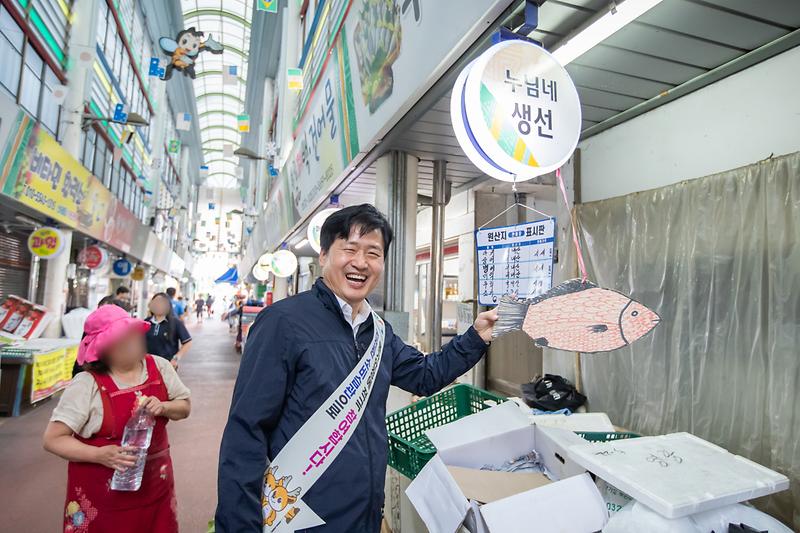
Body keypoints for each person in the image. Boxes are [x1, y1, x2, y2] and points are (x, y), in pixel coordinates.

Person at [215, 204, 498, 532]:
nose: (361, 263)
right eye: (349, 249)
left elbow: (425, 374)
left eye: (373, 253)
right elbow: (245, 431)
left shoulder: (378, 331)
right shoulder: (282, 323)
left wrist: (476, 337)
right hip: (299, 519)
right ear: (323, 255)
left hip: (363, 515)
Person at [43, 304, 191, 532]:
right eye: (121, 339)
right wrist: (100, 455)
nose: (131, 343)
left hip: (156, 487)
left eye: (132, 335)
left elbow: (184, 407)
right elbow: (53, 439)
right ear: (102, 349)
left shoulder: (159, 367)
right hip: (102, 498)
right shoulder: (87, 384)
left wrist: (164, 407)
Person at [146, 293, 193, 370]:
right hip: (147, 366)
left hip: (168, 366)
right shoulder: (146, 323)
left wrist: (176, 358)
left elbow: (187, 342)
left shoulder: (175, 323)